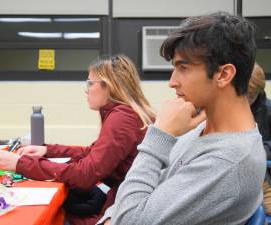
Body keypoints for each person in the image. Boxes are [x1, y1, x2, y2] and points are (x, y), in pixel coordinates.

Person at [97, 12, 266, 225]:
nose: (172, 82)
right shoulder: (203, 128)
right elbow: (144, 189)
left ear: (223, 75)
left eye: (183, 68)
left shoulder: (228, 161)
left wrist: (159, 135)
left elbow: (129, 220)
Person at [0, 54, 156, 225]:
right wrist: (48, 150)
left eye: (90, 83)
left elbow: (85, 175)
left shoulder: (122, 118)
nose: (86, 89)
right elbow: (93, 152)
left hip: (121, 210)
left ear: (110, 86)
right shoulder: (127, 113)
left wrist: (20, 164)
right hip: (122, 202)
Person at [248, 62, 271, 215]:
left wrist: (259, 150)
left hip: (264, 175)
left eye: (250, 96)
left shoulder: (268, 111)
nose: (245, 101)